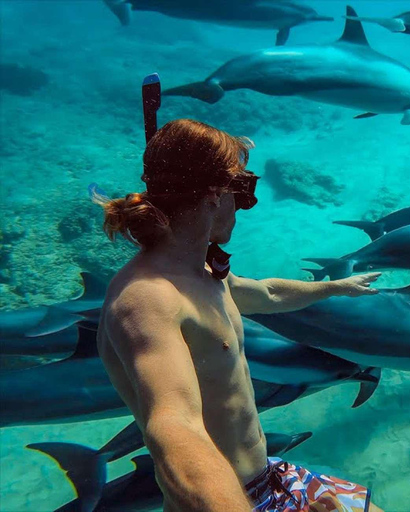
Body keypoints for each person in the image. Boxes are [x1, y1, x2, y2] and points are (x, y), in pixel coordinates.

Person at [95, 118, 384, 512]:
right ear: (214, 196)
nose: (244, 205)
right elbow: (174, 428)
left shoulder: (203, 274)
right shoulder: (148, 300)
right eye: (243, 190)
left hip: (268, 475)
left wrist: (333, 287)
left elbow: (267, 292)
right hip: (225, 499)